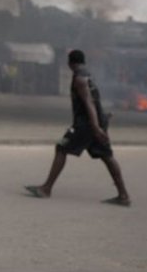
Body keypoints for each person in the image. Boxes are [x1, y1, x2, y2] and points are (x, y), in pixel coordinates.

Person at [25, 49, 131, 206]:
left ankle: (46, 189)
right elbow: (95, 100)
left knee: (61, 148)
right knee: (107, 156)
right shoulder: (88, 75)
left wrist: (95, 127)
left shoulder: (79, 79)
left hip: (86, 125)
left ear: (70, 63)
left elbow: (89, 103)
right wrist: (102, 120)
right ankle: (123, 196)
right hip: (97, 122)